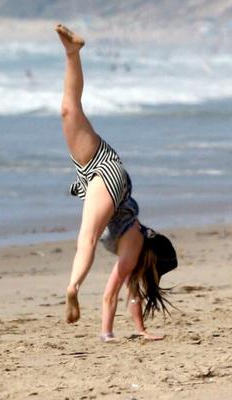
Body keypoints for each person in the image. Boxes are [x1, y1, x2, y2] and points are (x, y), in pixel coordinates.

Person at [55, 24, 177, 342]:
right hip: (108, 173)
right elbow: (112, 292)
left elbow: (129, 293)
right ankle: (73, 286)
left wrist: (139, 330)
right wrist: (108, 334)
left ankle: (72, 53)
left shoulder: (135, 255)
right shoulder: (136, 240)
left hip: (93, 175)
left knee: (68, 112)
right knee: (89, 237)